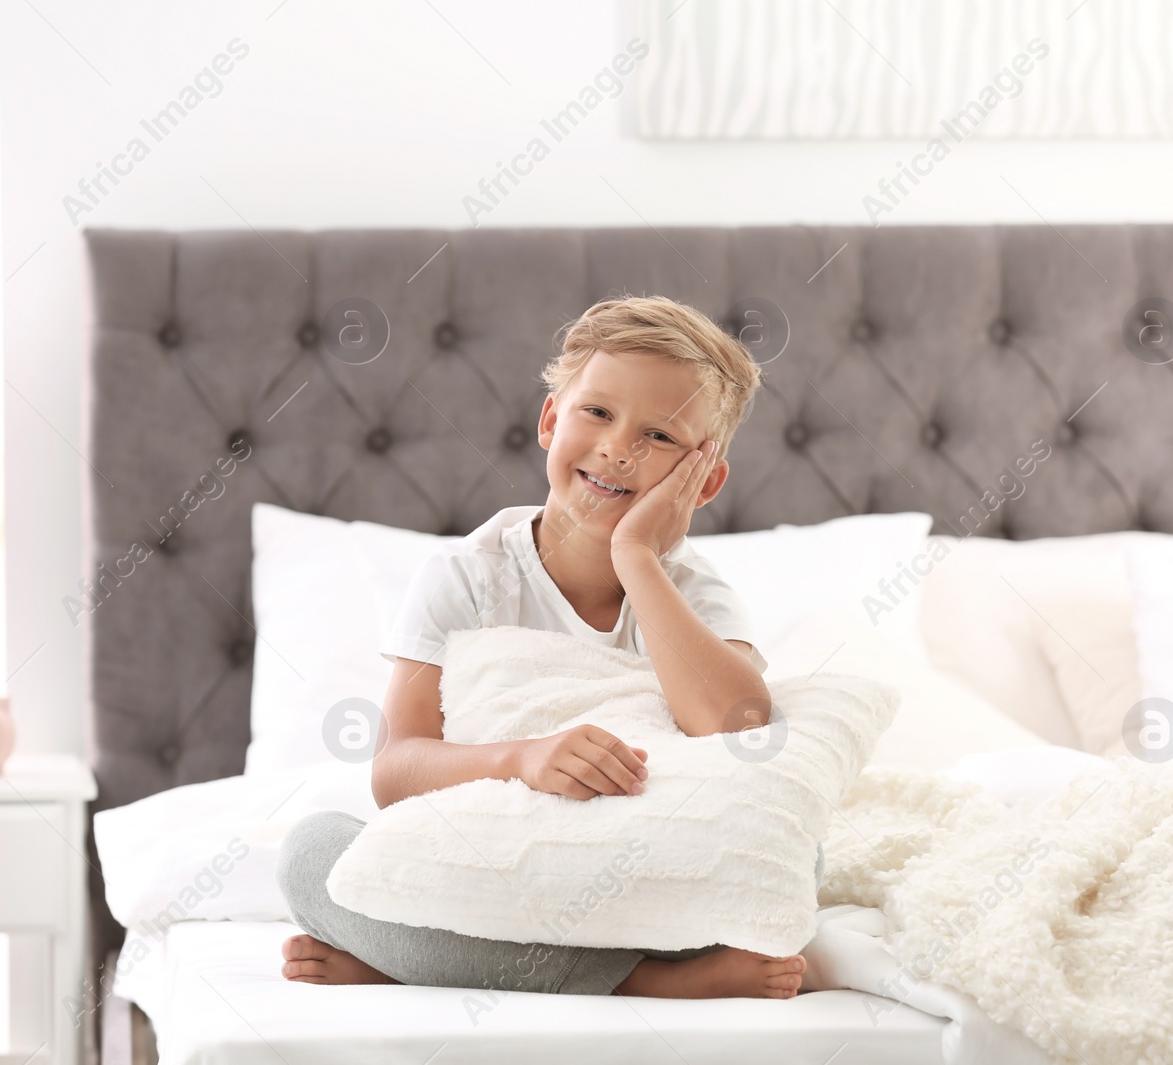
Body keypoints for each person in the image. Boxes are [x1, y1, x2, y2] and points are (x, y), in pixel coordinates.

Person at [277, 294, 827, 999]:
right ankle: (641, 982)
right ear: (550, 419)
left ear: (706, 479)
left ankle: (419, 961)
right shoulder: (467, 576)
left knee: (796, 857)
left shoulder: (697, 594)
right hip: (494, 864)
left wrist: (637, 556)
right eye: (597, 412)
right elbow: (395, 772)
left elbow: (738, 731)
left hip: (637, 874)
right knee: (312, 853)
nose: (618, 447)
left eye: (660, 436)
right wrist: (523, 758)